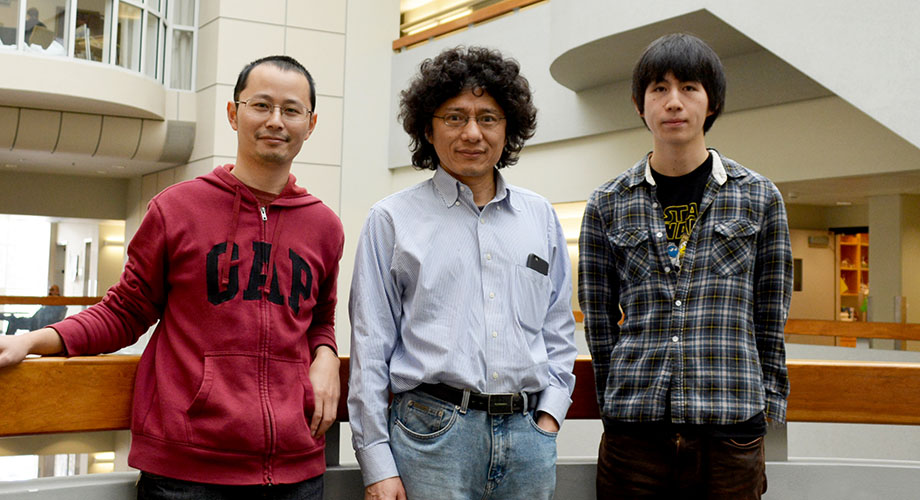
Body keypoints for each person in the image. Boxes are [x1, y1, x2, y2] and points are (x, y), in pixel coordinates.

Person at [0, 55, 344, 500]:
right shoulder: (176, 209)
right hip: (186, 473)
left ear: (310, 123)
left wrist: (325, 353)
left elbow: (321, 318)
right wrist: (33, 340)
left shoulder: (324, 226)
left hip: (294, 474)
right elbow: (126, 310)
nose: (276, 121)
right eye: (261, 105)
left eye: (291, 110)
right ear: (233, 113)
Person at [348, 46, 578, 500]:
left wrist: (549, 416)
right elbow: (371, 348)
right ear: (428, 130)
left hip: (528, 438)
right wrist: (376, 462)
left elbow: (558, 330)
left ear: (508, 127)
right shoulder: (391, 220)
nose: (472, 132)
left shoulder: (541, 218)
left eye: (488, 117)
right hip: (429, 437)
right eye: (455, 117)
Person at [578, 33, 792, 499]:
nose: (673, 102)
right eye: (659, 88)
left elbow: (770, 312)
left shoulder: (758, 197)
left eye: (689, 88)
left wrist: (766, 406)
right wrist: (616, 400)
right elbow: (598, 317)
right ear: (639, 104)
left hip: (729, 426)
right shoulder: (608, 204)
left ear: (711, 102)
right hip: (634, 434)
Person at [2, 285, 66, 335]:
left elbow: (49, 319)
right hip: (33, 321)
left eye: (52, 290)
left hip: (37, 326)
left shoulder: (59, 305)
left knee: (14, 321)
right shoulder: (48, 303)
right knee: (13, 320)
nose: (49, 292)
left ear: (57, 292)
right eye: (49, 290)